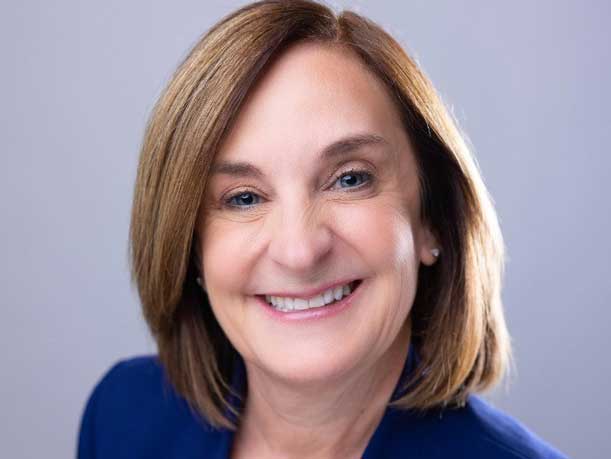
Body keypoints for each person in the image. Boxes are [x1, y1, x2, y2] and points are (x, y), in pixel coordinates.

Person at [77, 1, 569, 458]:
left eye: (350, 179)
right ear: (190, 248)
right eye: (243, 198)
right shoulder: (122, 417)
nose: (299, 251)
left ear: (431, 220)